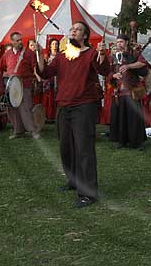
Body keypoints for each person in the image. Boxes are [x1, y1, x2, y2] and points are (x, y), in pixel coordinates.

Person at [35, 21, 112, 208]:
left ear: (84, 36)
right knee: (66, 147)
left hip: (83, 107)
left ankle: (88, 194)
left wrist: (102, 53)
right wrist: (38, 53)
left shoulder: (91, 54)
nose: (73, 31)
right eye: (72, 29)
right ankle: (73, 180)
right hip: (63, 106)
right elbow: (45, 72)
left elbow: (104, 70)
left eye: (77, 30)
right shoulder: (62, 56)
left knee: (84, 149)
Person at [0, 31, 40, 139]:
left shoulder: (29, 53)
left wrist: (37, 77)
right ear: (12, 42)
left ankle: (33, 131)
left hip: (24, 84)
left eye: (21, 39)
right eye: (17, 40)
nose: (20, 42)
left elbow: (35, 68)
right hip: (10, 86)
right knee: (12, 109)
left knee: (26, 108)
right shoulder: (7, 54)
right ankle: (18, 131)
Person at [108, 35, 149, 150]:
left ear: (126, 42)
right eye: (117, 42)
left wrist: (129, 66)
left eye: (121, 42)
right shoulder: (114, 57)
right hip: (118, 91)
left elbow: (142, 64)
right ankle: (120, 141)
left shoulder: (133, 54)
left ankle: (137, 142)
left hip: (132, 91)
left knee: (134, 118)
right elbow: (108, 72)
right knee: (119, 117)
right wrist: (113, 75)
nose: (119, 44)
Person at [39, 39, 59, 122]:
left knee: (56, 97)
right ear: (50, 46)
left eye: (56, 44)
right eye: (53, 44)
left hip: (57, 78)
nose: (55, 45)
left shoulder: (60, 55)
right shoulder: (46, 56)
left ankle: (55, 116)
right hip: (48, 79)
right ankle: (46, 116)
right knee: (47, 97)